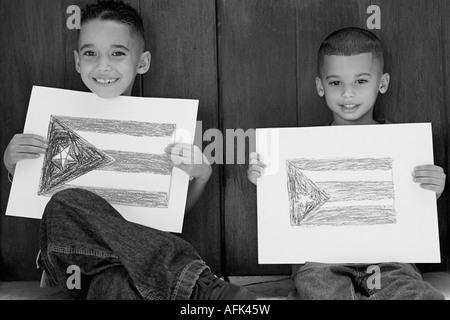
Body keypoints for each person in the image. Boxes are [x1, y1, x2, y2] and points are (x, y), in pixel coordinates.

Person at [3, 0, 255, 300]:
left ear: (143, 62)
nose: (103, 65)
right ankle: (195, 283)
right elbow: (44, 209)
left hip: (135, 274)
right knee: (63, 204)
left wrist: (201, 176)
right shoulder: (50, 120)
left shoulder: (168, 130)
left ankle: (187, 284)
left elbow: (168, 216)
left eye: (118, 53)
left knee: (117, 282)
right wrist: (12, 164)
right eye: (90, 53)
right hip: (72, 265)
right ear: (76, 61)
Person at [247, 27, 446, 300]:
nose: (348, 94)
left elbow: (410, 212)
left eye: (361, 81)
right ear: (320, 86)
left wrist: (432, 190)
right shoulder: (300, 150)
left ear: (383, 83)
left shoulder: (404, 147)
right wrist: (265, 180)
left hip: (389, 261)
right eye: (336, 83)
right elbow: (287, 210)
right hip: (321, 262)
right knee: (321, 290)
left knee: (415, 294)